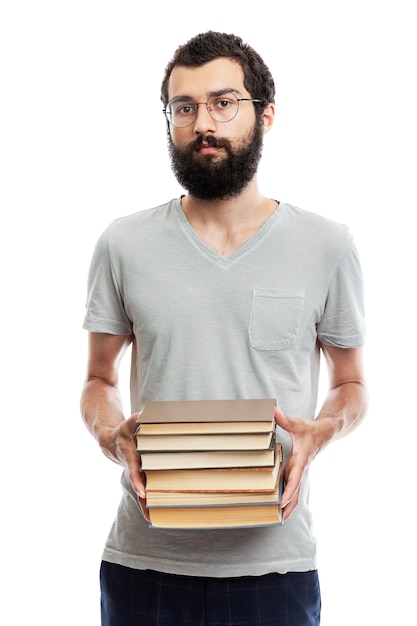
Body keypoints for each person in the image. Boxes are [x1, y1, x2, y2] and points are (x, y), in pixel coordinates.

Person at [80, 31, 368, 626]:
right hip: (144, 564)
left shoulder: (327, 245)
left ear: (264, 116)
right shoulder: (123, 243)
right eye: (183, 107)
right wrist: (113, 436)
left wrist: (324, 430)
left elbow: (351, 384)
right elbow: (98, 378)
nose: (201, 122)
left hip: (274, 569)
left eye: (223, 102)